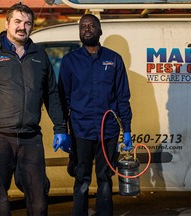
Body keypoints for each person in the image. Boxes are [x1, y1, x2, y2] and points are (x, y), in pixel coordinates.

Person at [0, 3, 69, 216]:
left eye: (28, 23)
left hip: (30, 137)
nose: (22, 27)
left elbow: (51, 94)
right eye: (18, 22)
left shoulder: (39, 55)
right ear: (7, 23)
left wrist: (60, 127)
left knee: (38, 198)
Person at [58, 14, 133, 216]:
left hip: (107, 132)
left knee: (105, 178)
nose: (87, 29)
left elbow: (122, 97)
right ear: (79, 32)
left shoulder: (114, 60)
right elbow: (63, 98)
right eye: (83, 26)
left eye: (92, 26)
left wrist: (127, 130)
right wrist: (62, 131)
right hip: (80, 131)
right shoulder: (69, 61)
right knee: (81, 179)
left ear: (100, 31)